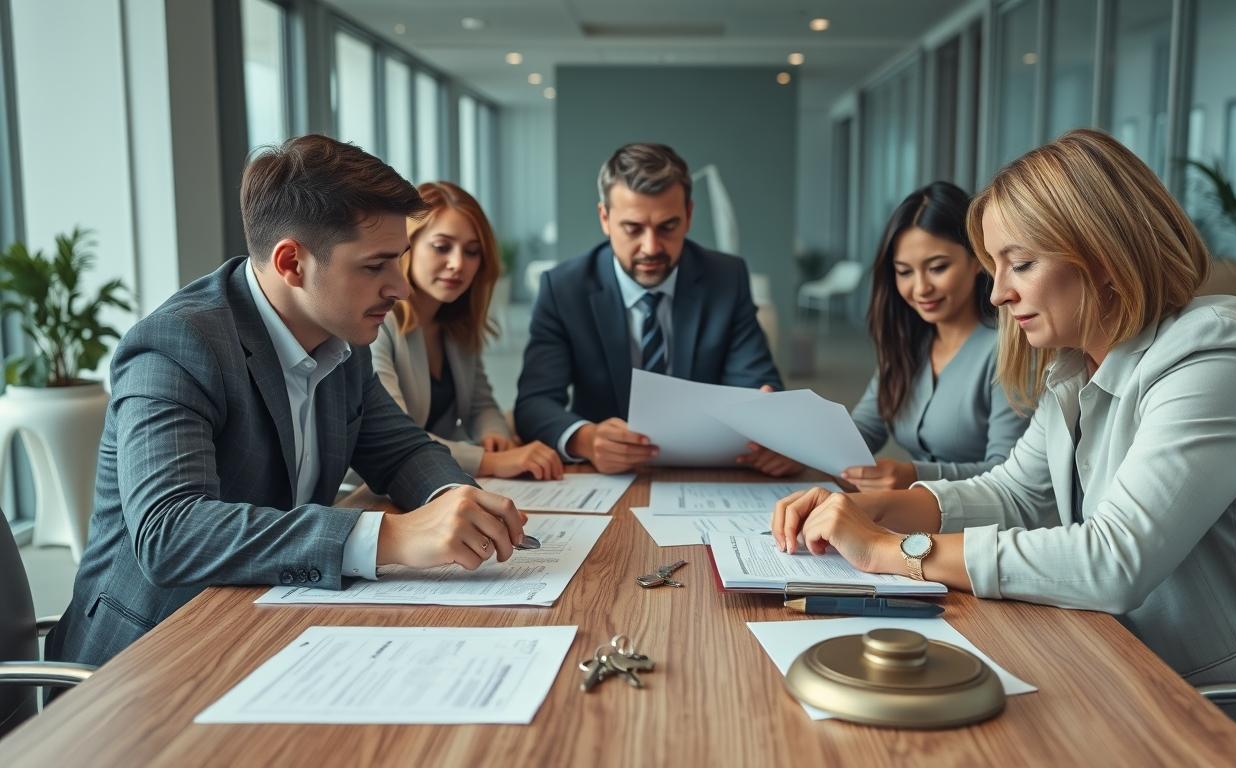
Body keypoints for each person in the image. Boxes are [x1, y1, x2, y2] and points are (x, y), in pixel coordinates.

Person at [771, 129, 1236, 766]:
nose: (997, 293)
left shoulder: (1216, 359)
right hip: (1117, 676)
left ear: (1104, 255)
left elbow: (1114, 559)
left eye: (1020, 264)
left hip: (1232, 725)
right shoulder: (1075, 366)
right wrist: (878, 509)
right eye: (994, 267)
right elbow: (1015, 493)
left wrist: (892, 550)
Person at [48, 135, 527, 668]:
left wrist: (457, 503)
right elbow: (171, 533)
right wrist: (389, 536)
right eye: (376, 266)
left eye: (400, 261)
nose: (401, 288)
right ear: (292, 262)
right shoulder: (178, 344)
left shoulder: (343, 339)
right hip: (151, 654)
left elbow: (402, 451)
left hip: (272, 619)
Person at [514, 142, 798, 476]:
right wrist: (585, 439)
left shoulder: (726, 278)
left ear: (689, 215)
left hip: (708, 474)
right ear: (605, 218)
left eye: (667, 227)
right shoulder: (563, 288)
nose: (651, 247)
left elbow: (758, 385)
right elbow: (534, 403)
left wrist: (771, 429)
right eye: (633, 228)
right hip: (604, 476)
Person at [369, 181, 563, 481]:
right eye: (441, 247)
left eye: (472, 252)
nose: (458, 264)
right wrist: (491, 461)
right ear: (406, 246)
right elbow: (396, 436)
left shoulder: (454, 326)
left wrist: (495, 436)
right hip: (374, 489)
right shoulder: (377, 323)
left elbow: (480, 404)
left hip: (437, 482)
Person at [841, 181, 1028, 491]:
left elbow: (1009, 475)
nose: (921, 288)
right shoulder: (908, 343)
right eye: (904, 272)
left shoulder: (1010, 349)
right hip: (917, 512)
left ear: (977, 260)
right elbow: (861, 431)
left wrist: (916, 475)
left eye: (938, 267)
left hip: (981, 518)